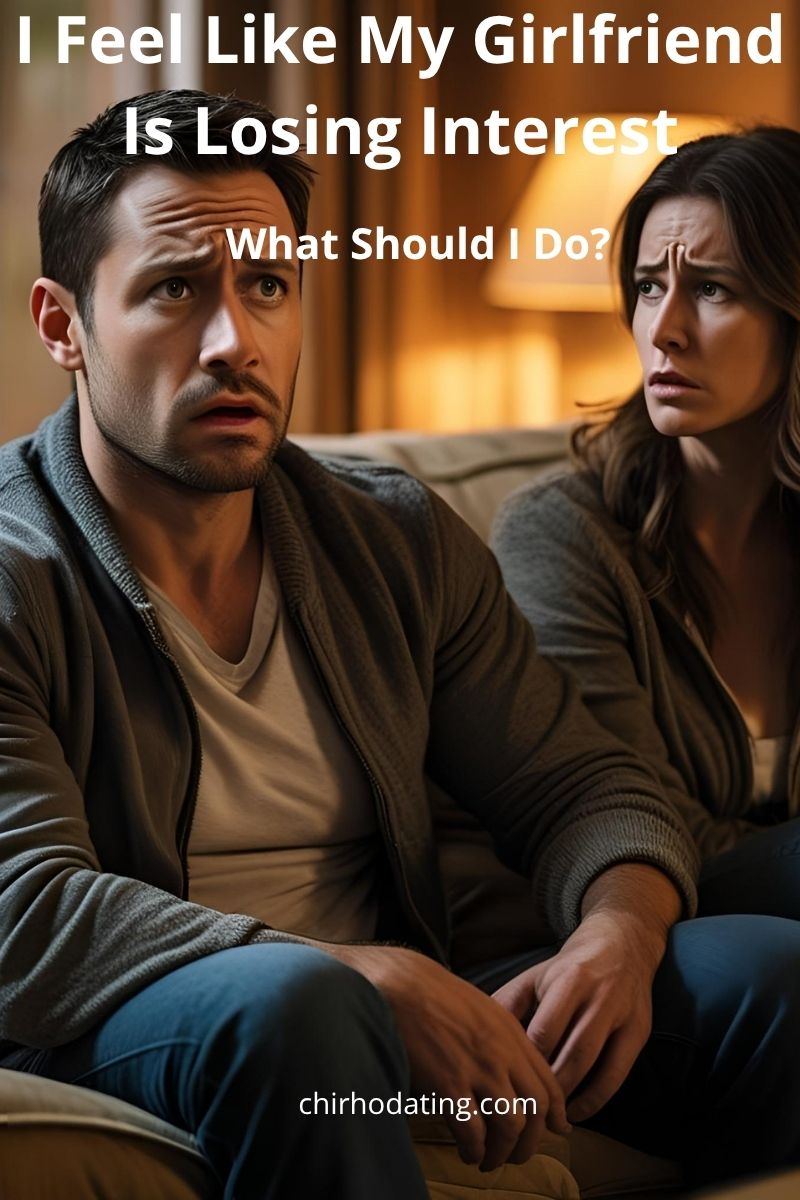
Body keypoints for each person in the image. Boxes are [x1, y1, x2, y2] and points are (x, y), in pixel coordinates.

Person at [0, 91, 797, 1198]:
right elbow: (23, 907)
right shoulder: (13, 567)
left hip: (380, 1031)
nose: (236, 341)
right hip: (147, 1026)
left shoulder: (391, 538)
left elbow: (581, 787)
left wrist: (615, 934)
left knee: (767, 973)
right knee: (301, 1011)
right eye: (175, 290)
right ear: (61, 325)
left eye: (267, 286)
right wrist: (358, 975)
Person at [494, 127, 800, 971]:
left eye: (711, 289)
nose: (663, 329)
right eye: (645, 286)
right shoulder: (565, 534)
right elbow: (633, 823)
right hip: (643, 947)